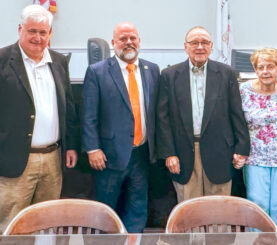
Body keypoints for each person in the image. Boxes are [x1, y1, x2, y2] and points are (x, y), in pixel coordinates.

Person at [0, 4, 78, 232]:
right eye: (32, 31)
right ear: (20, 30)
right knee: (10, 225)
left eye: (43, 32)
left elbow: (69, 109)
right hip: (13, 161)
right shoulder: (3, 60)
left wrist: (71, 145)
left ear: (50, 34)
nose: (37, 37)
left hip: (52, 158)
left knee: (47, 223)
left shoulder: (59, 61)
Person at [156, 26, 250, 203]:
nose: (200, 47)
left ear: (211, 46)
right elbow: (163, 119)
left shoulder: (226, 73)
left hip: (220, 153)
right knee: (189, 213)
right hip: (183, 155)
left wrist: (242, 148)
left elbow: (236, 112)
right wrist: (169, 153)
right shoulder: (169, 75)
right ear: (186, 47)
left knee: (219, 212)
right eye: (194, 43)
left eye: (205, 42)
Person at [82, 22, 159, 232]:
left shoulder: (151, 69)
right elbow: (89, 115)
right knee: (106, 212)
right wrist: (92, 148)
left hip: (141, 155)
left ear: (139, 41)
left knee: (137, 210)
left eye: (133, 38)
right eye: (123, 39)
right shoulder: (97, 72)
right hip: (108, 156)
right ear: (113, 42)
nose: (128, 42)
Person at [235, 48, 277, 231]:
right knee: (257, 207)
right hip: (255, 158)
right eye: (260, 67)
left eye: (270, 66)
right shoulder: (243, 91)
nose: (265, 71)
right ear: (255, 70)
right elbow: (234, 121)